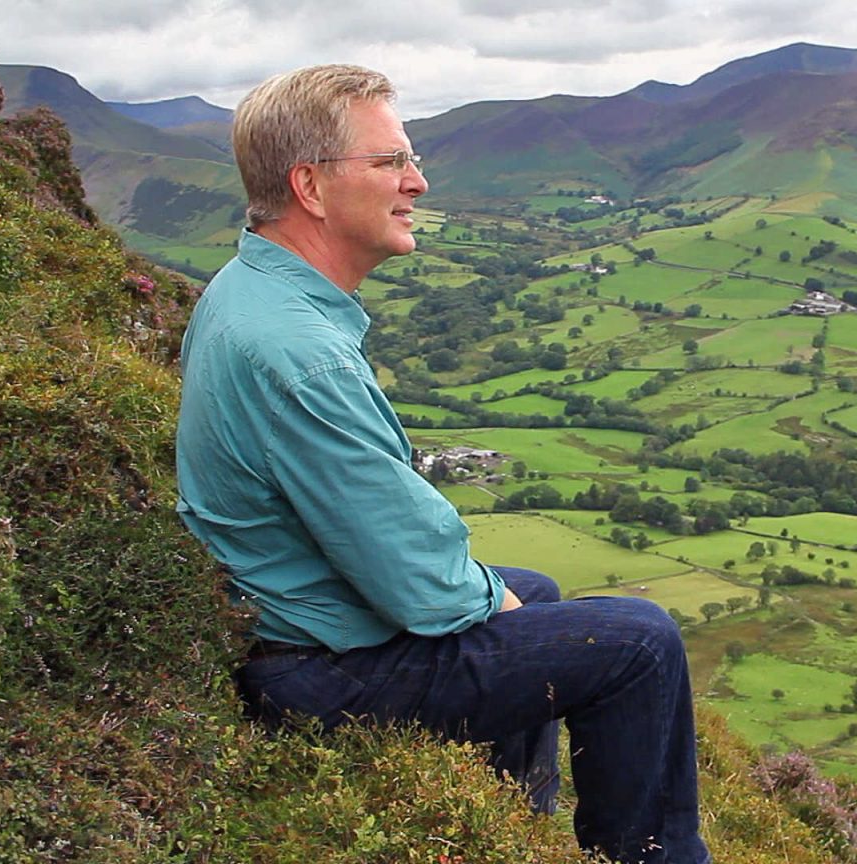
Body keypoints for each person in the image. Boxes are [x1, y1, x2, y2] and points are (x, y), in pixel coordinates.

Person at [173, 64, 710, 864]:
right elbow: (413, 577)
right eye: (389, 162)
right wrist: (492, 605)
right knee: (638, 642)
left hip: (287, 628)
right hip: (316, 669)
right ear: (311, 186)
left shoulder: (250, 289)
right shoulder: (299, 355)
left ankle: (505, 826)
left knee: (538, 591)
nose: (416, 182)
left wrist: (500, 602)